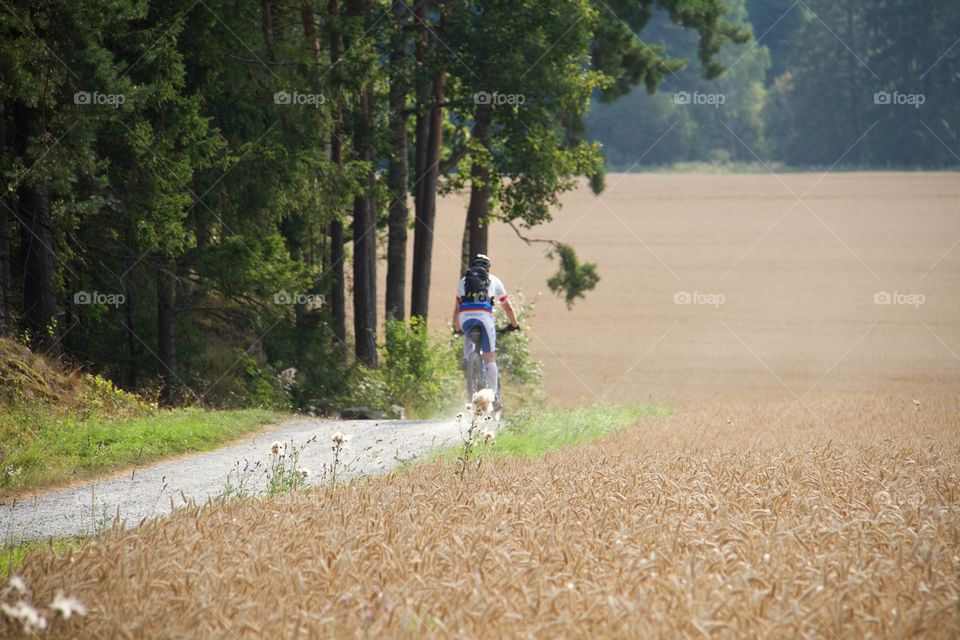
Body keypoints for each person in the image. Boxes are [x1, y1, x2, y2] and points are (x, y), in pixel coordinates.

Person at [452, 253, 519, 408]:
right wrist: (514, 324)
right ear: (488, 268)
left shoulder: (464, 281)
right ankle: (494, 398)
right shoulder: (494, 280)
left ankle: (470, 369)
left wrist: (457, 328)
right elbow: (507, 307)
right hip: (484, 316)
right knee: (490, 358)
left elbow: (456, 308)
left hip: (465, 318)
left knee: (468, 347)